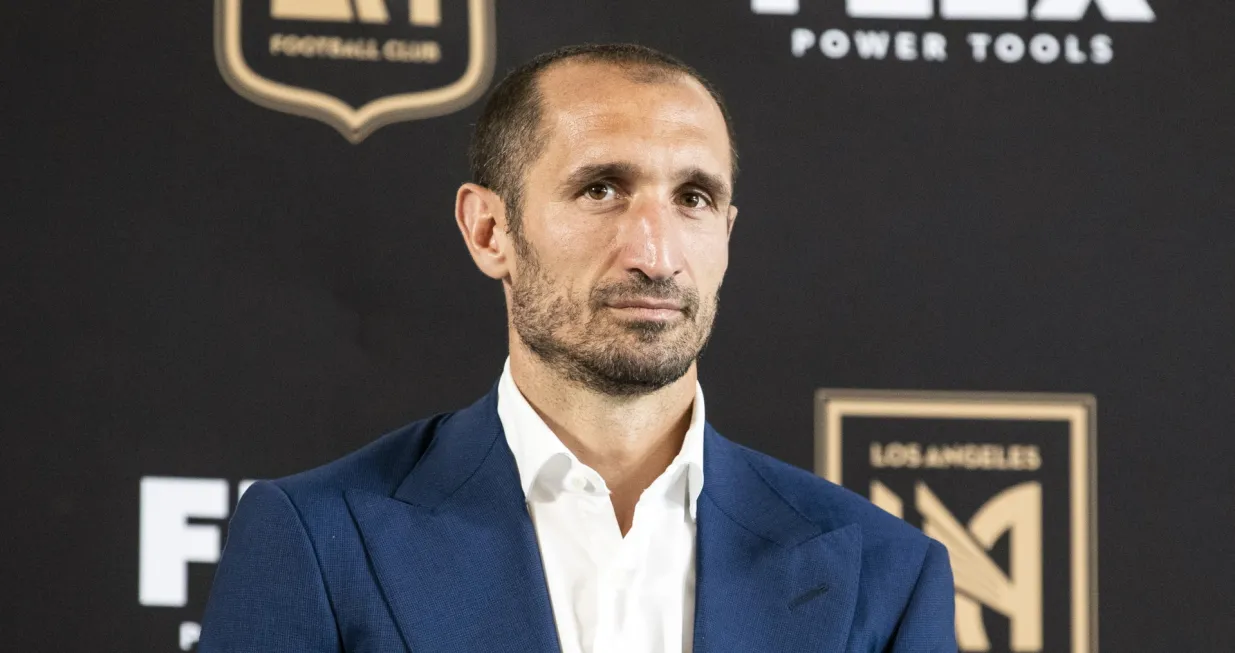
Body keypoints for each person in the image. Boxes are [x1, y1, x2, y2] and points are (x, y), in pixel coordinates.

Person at [199, 43, 956, 652]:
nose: (655, 254)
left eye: (693, 198)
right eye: (601, 189)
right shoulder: (316, 536)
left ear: (727, 233)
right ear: (489, 231)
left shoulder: (885, 572)